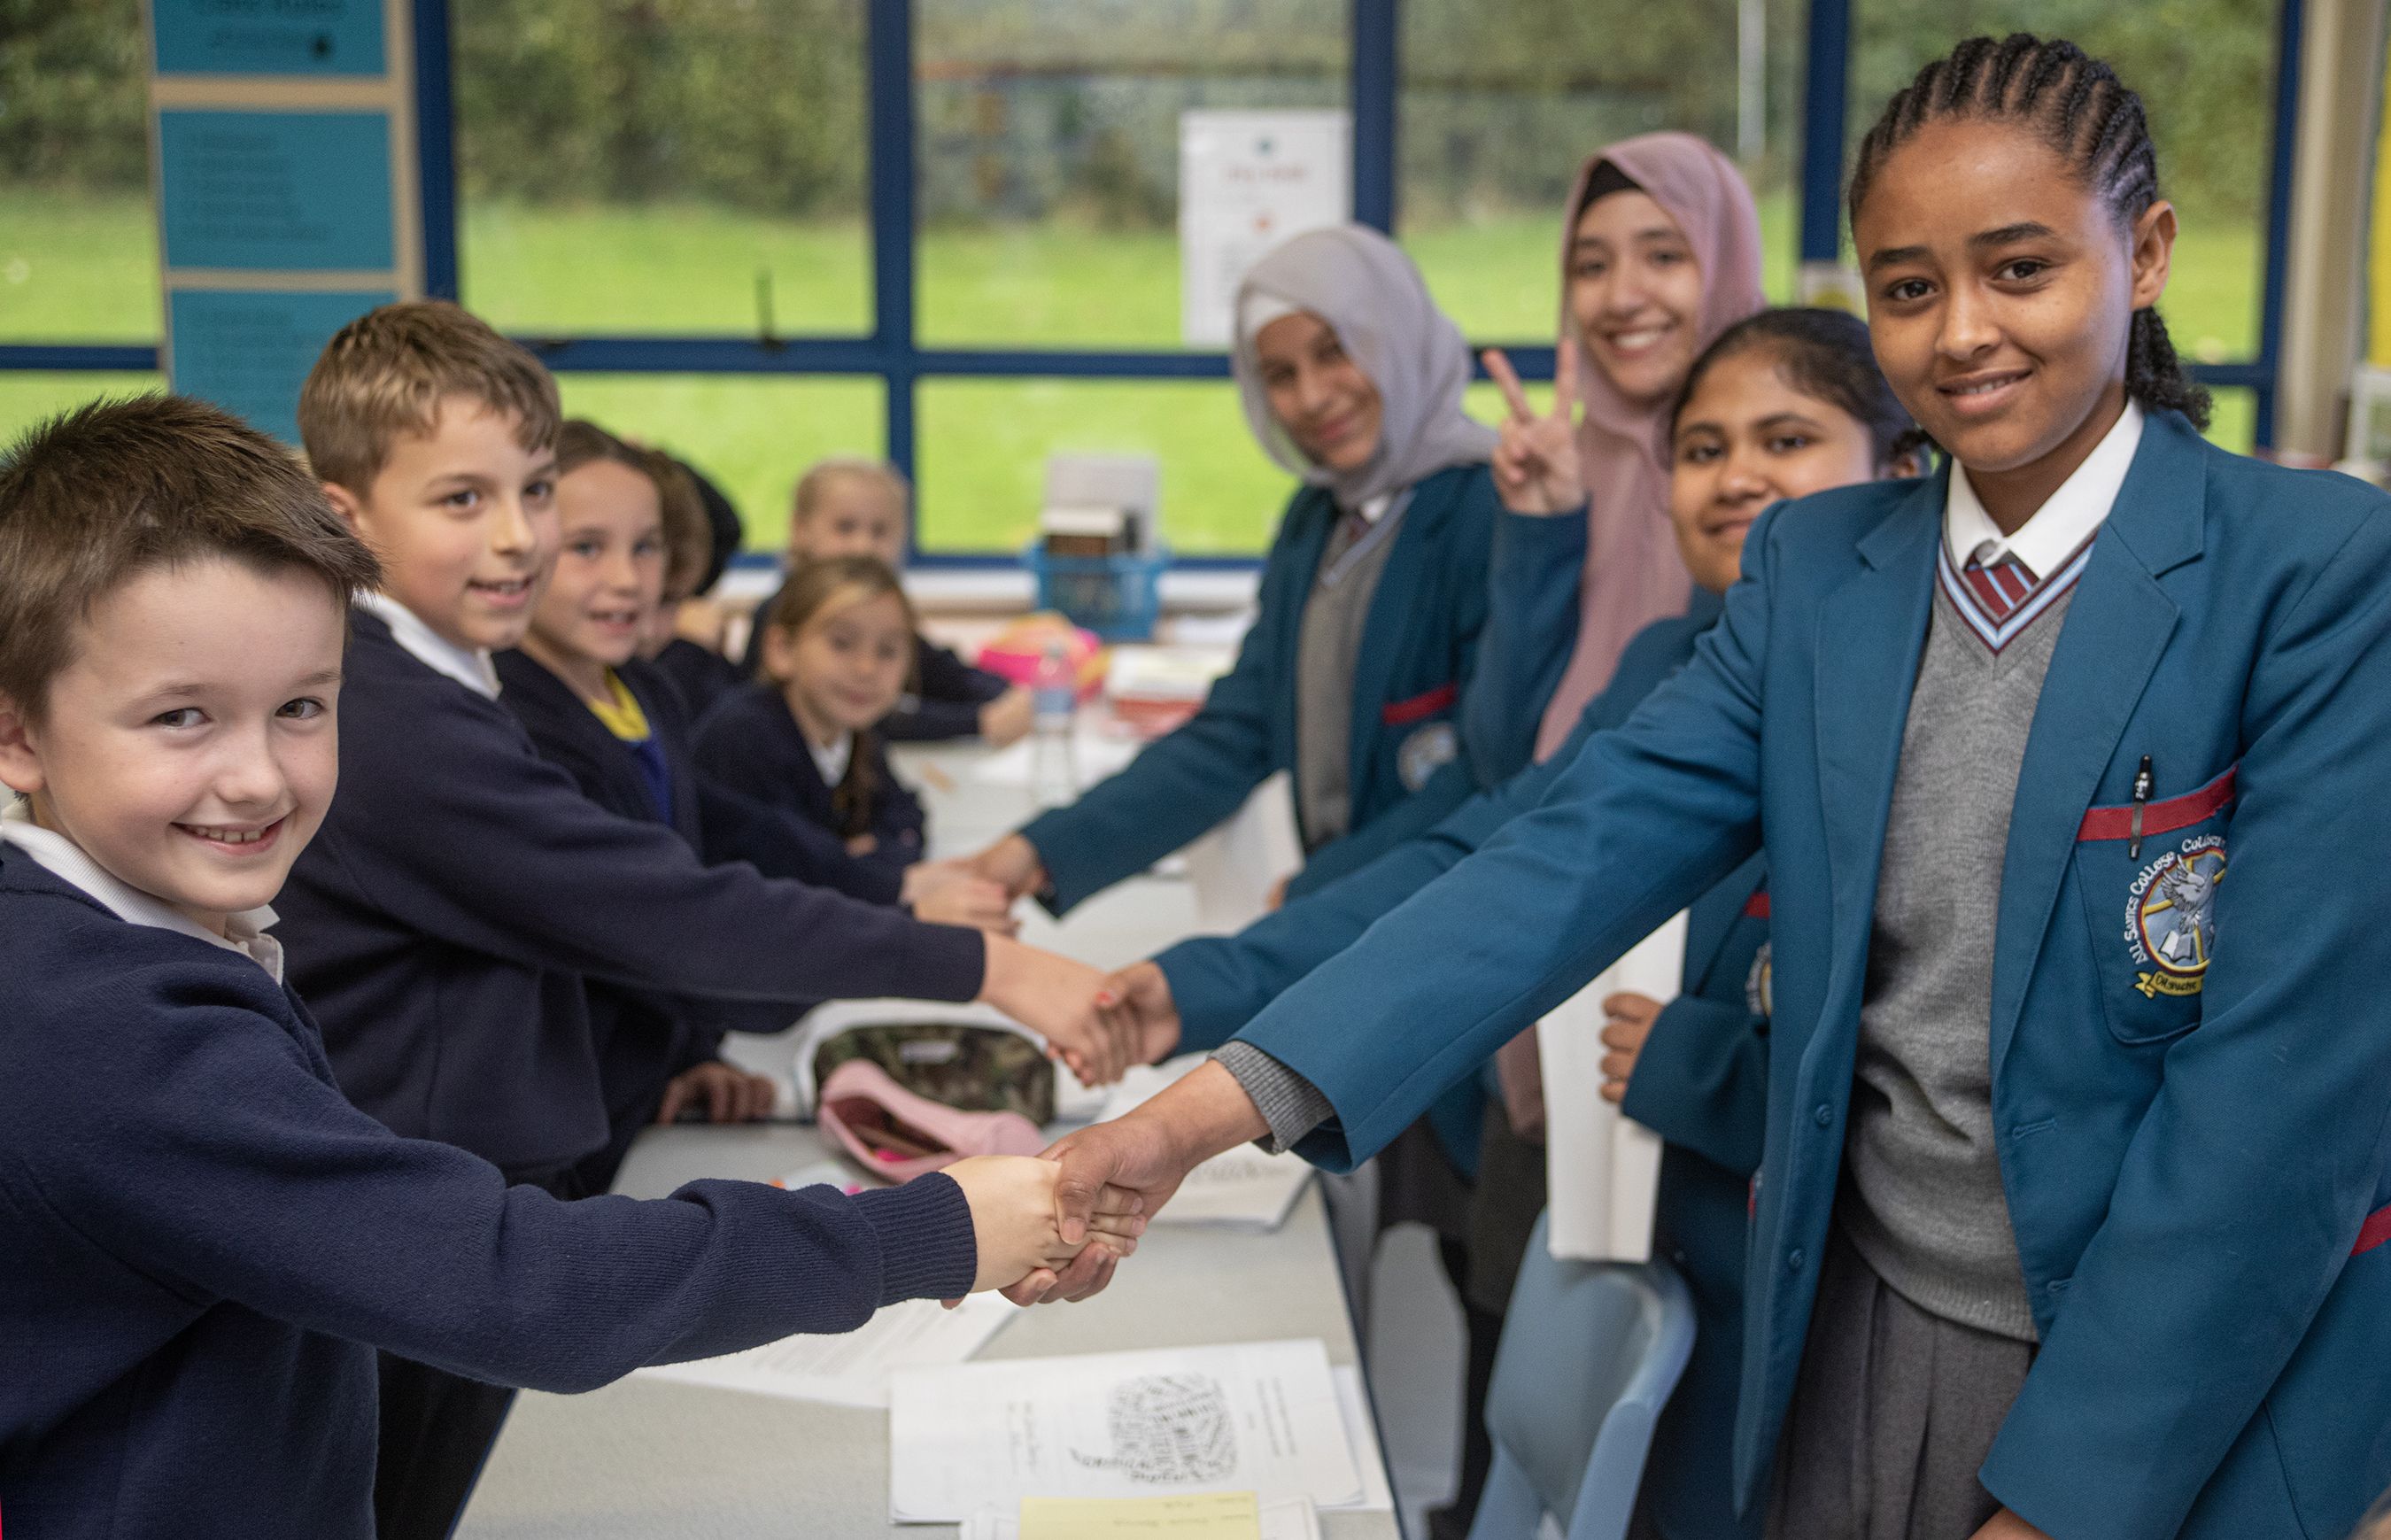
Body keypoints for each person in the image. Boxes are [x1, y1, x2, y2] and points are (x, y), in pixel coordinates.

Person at [1025, 36, 2391, 1540]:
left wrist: (2068, 1501)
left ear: (2146, 252)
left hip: (2166, 1380)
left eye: (2020, 269)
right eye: (1909, 286)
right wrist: (1195, 1116)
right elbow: (1556, 858)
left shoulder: (2312, 574)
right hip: (1849, 1332)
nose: (1962, 332)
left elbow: (2279, 1101)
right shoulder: (1823, 576)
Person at [0, 394, 1143, 1540]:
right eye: (182, 717)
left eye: (300, 706)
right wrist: (926, 1230)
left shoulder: (129, 937)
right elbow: (516, 1283)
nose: (257, 776)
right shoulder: (109, 1030)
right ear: (17, 732)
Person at [1091, 309, 1923, 1540]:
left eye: (1787, 438)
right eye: (1702, 448)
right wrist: (1200, 997)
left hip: (1829, 1316)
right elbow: (1495, 854)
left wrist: (1695, 1064)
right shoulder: (1672, 663)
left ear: (1903, 468)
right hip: (1671, 1263)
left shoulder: (1923, 700)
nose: (1737, 475)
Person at [965, 224, 1575, 921]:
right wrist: (1042, 849)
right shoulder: (1316, 521)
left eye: (1335, 352)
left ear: (1397, 337)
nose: (1312, 397)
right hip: (1346, 918)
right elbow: (1240, 730)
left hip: (1439, 913)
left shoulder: (1492, 509)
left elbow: (1493, 769)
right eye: (1280, 376)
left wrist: (1326, 888)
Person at [697, 555, 995, 917]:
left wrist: (868, 861)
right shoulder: (745, 735)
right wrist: (877, 877)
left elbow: (904, 815)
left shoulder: (855, 733)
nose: (866, 668)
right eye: (841, 644)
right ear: (782, 650)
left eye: (887, 651)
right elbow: (788, 867)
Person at [741, 457, 1034, 746]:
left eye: (880, 531)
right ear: (800, 529)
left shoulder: (880, 614)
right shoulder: (778, 614)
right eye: (845, 527)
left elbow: (943, 675)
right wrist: (978, 721)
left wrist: (1011, 696)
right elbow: (861, 713)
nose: (863, 546)